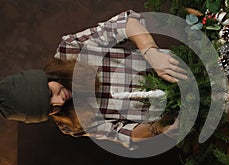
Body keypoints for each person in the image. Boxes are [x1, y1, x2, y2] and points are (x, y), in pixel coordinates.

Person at [0, 10, 186, 149]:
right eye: (50, 108)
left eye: (50, 93)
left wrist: (150, 52)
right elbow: (122, 134)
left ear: (42, 79)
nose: (59, 100)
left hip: (182, 69)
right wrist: (158, 129)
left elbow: (126, 23)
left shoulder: (71, 49)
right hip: (178, 114)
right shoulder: (69, 124)